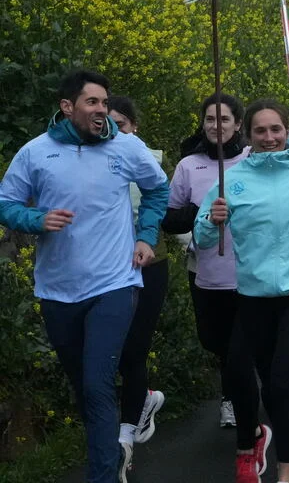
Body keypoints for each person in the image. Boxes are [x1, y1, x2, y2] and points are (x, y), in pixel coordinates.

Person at [0, 69, 169, 483]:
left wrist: (146, 236)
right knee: (84, 388)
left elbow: (157, 188)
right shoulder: (35, 152)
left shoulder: (125, 146)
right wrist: (36, 219)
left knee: (96, 383)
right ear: (67, 107)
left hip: (115, 283)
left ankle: (103, 476)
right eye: (92, 102)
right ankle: (109, 452)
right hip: (57, 290)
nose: (101, 110)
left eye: (105, 103)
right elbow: (6, 203)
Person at [196, 99, 289, 483]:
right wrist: (213, 220)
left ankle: (286, 473)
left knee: (282, 384)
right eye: (260, 131)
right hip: (253, 299)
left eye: (276, 129)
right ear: (248, 134)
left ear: (288, 131)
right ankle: (288, 445)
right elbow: (202, 238)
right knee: (269, 388)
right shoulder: (231, 179)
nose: (269, 137)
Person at [160, 93, 261, 460]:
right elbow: (170, 218)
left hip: (249, 273)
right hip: (205, 271)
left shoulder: (252, 160)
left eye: (224, 119)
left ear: (238, 124)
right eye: (210, 119)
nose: (217, 125)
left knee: (239, 350)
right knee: (214, 341)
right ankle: (241, 386)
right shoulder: (189, 165)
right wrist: (202, 211)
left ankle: (236, 399)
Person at [107, 96, 169, 480]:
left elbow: (167, 206)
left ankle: (125, 439)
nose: (114, 132)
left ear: (134, 127)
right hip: (107, 269)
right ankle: (142, 401)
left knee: (133, 349)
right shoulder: (91, 160)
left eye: (121, 125)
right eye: (107, 124)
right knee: (110, 352)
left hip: (148, 266)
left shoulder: (149, 160)